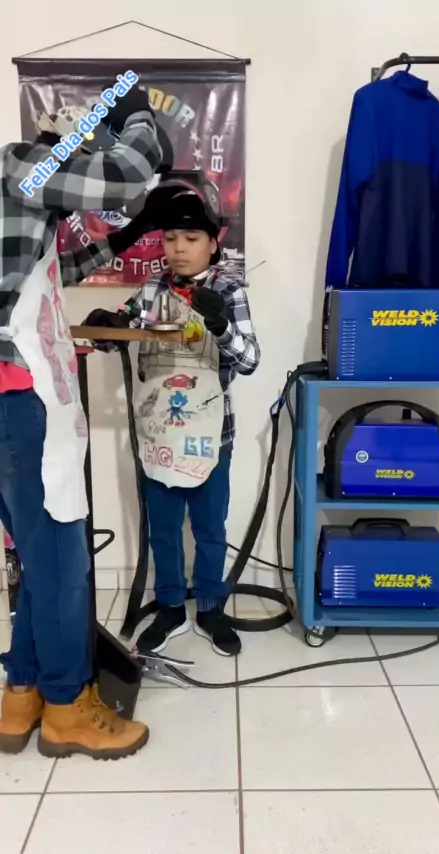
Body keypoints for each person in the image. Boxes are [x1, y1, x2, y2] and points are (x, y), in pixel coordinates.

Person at [0, 81, 171, 760]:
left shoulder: (19, 203)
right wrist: (139, 119)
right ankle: (68, 706)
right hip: (21, 402)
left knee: (37, 560)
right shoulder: (19, 166)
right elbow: (128, 172)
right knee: (62, 561)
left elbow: (53, 266)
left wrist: (131, 231)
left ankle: (22, 695)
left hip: (10, 404)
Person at [86, 192, 260, 657]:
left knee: (209, 527)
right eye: (170, 238)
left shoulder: (229, 291)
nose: (179, 248)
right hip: (158, 431)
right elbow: (121, 332)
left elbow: (249, 361)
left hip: (210, 434)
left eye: (191, 238)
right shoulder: (151, 290)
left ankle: (210, 608)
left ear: (212, 242)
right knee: (162, 530)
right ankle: (169, 608)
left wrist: (221, 325)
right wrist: (105, 328)